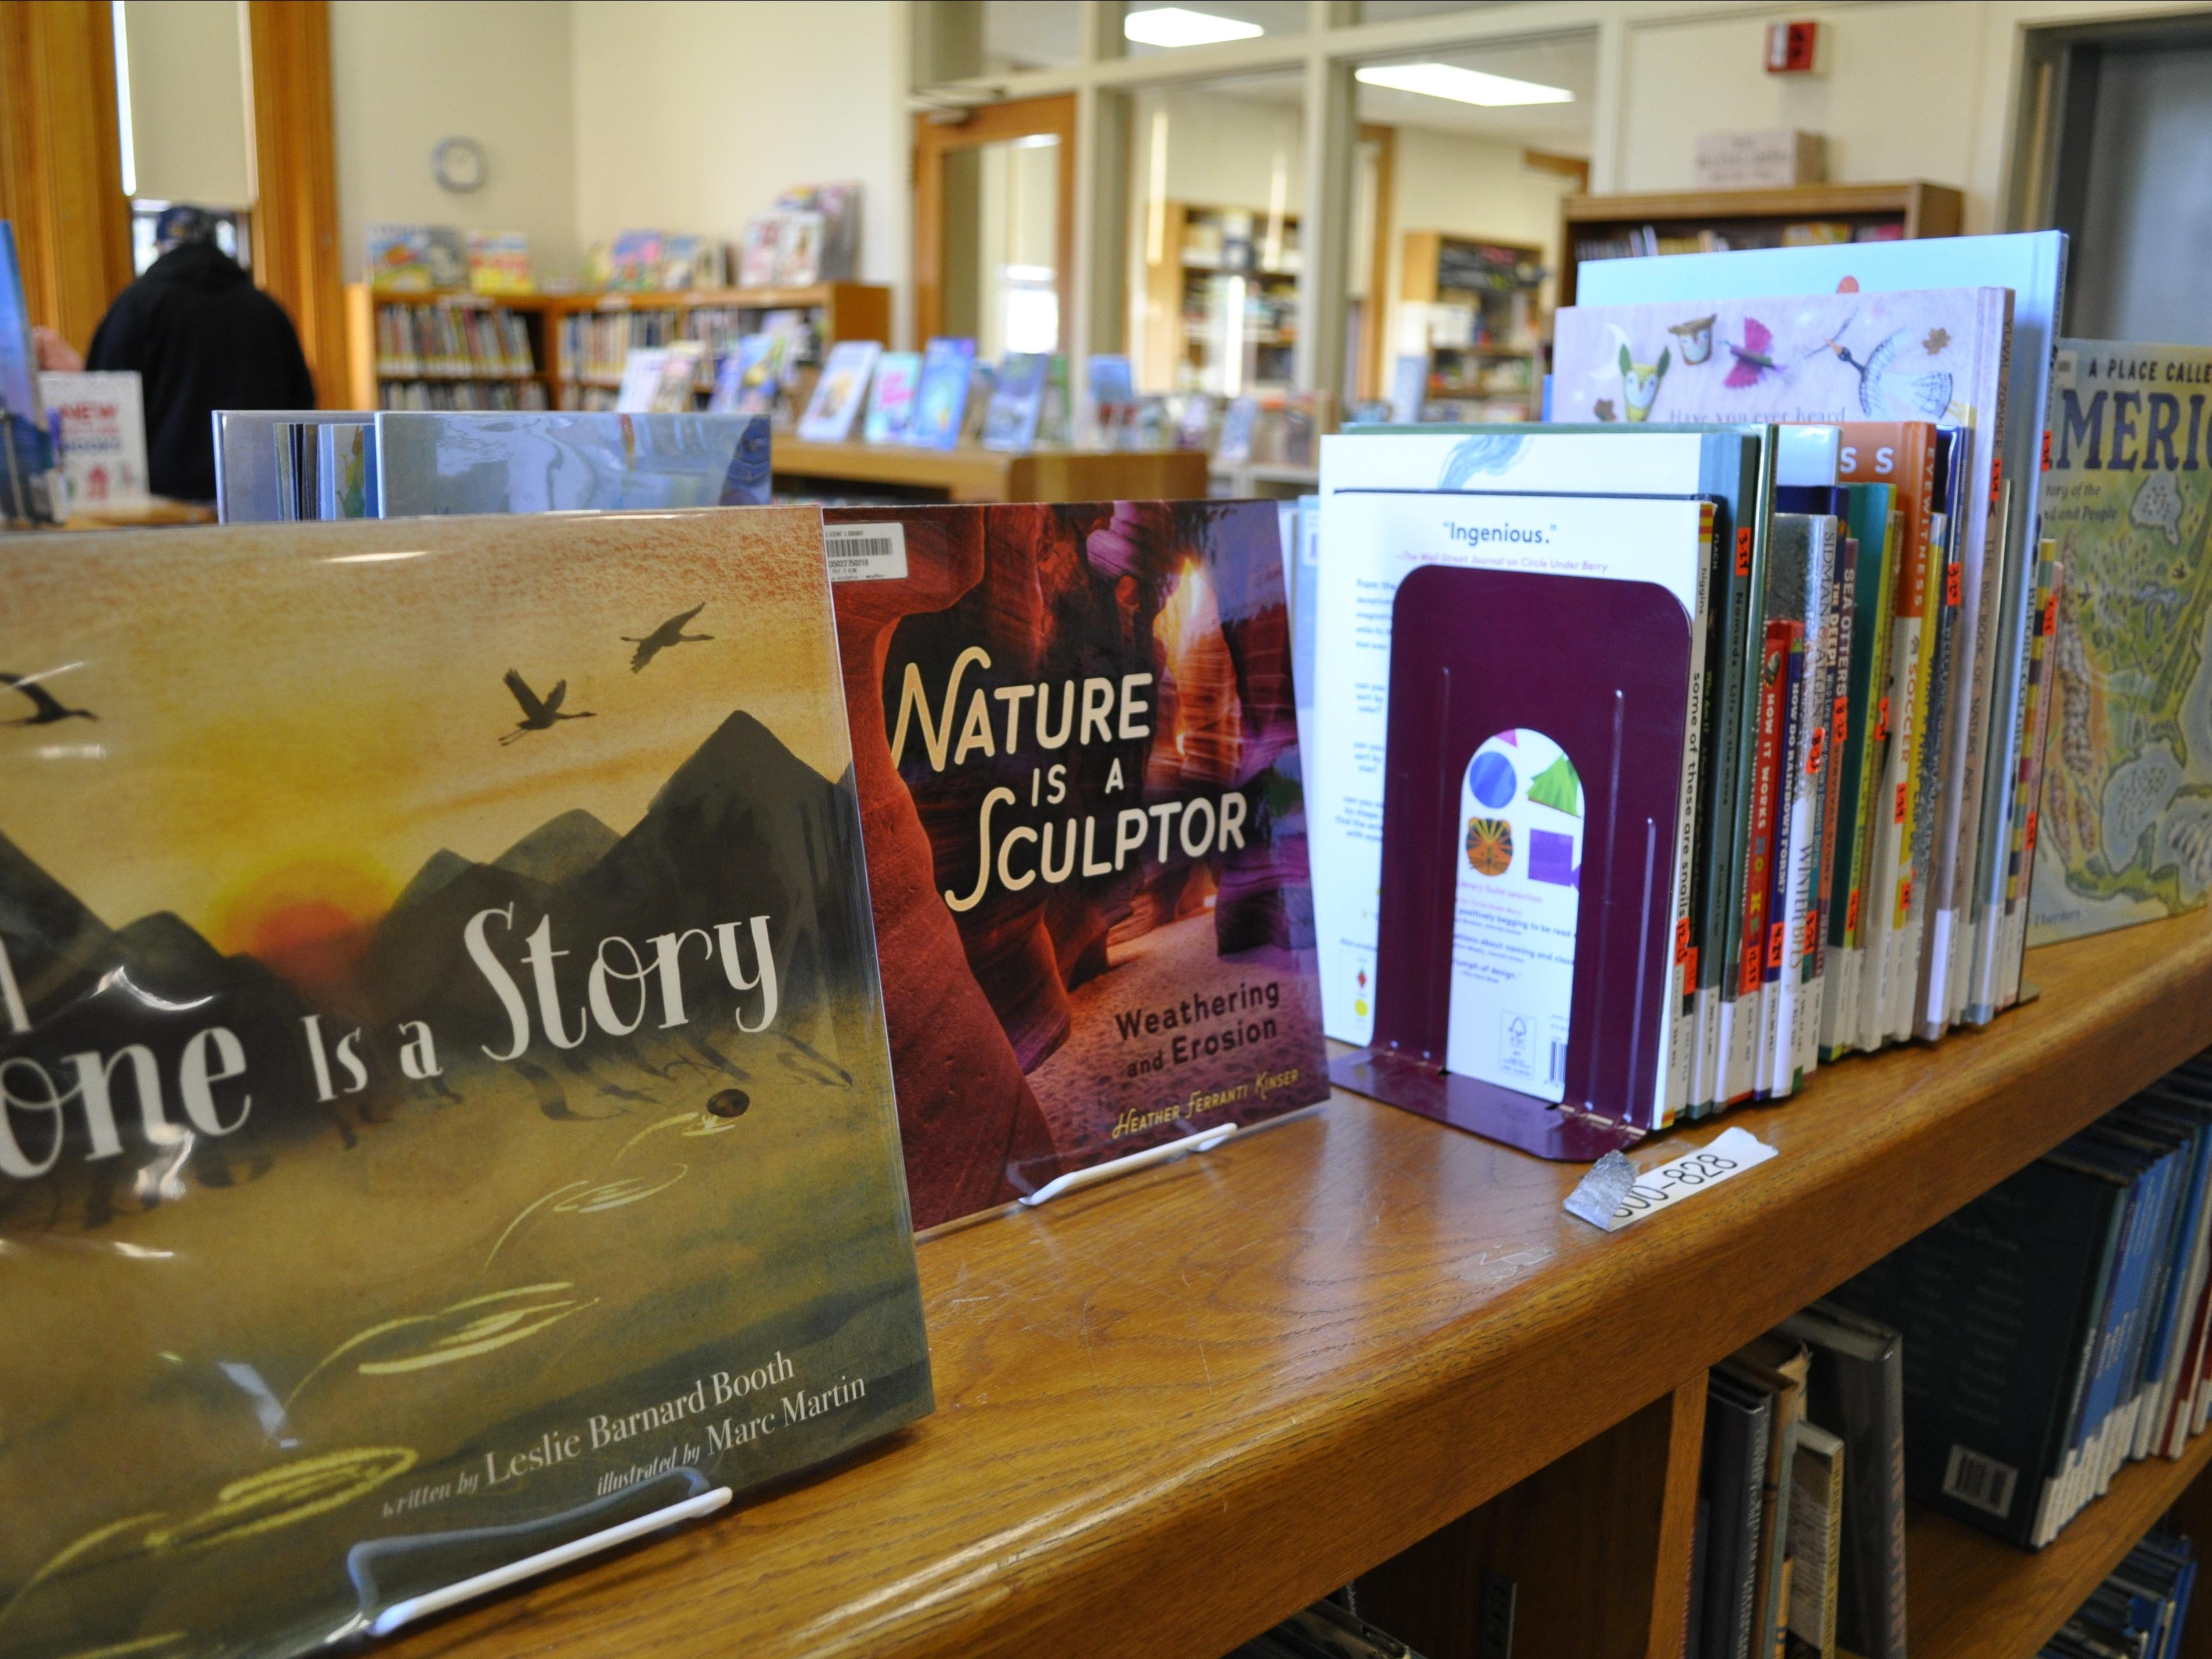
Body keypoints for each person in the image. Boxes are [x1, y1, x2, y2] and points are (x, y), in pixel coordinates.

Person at [87, 204, 315, 502]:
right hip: (258, 490)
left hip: (163, 496)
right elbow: (301, 400)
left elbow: (103, 397)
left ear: (160, 247)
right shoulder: (265, 309)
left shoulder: (136, 305)